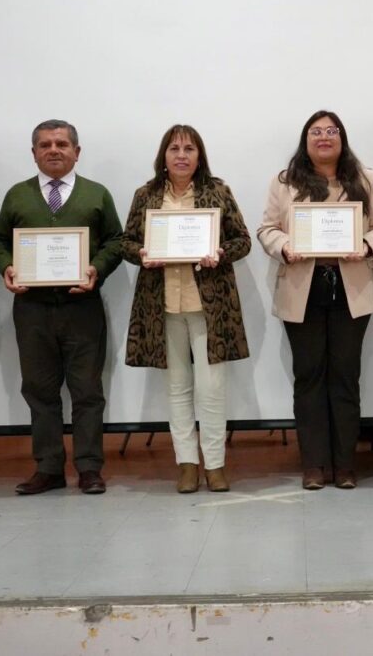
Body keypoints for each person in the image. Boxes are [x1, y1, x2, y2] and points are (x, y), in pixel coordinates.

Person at [258, 110, 373, 490]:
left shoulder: (365, 179)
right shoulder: (284, 182)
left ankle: (345, 465)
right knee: (309, 377)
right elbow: (267, 229)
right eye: (315, 132)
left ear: (341, 138)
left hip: (352, 288)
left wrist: (365, 245)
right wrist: (286, 246)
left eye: (331, 131)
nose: (324, 137)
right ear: (306, 141)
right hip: (302, 288)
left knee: (345, 377)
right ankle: (314, 465)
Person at [0, 119, 123, 495]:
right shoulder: (17, 195)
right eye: (45, 144)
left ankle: (89, 468)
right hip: (32, 310)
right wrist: (6, 266)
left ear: (76, 152)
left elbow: (116, 240)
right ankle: (48, 468)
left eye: (62, 144)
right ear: (33, 153)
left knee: (87, 391)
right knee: (39, 390)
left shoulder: (97, 194)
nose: (53, 150)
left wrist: (97, 268)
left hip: (82, 309)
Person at [122, 125, 251, 494]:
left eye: (189, 149)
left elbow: (242, 240)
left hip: (209, 306)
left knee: (211, 389)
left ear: (199, 155)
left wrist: (220, 253)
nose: (181, 155)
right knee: (177, 387)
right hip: (162, 305)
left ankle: (215, 465)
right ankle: (187, 465)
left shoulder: (218, 191)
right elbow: (126, 242)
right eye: (174, 148)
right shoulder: (146, 195)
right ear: (163, 155)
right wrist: (141, 254)